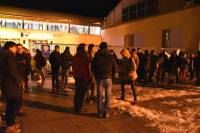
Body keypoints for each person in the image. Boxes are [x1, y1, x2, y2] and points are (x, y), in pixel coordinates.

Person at [1, 41, 24, 133]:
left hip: (6, 83)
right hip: (11, 84)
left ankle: (10, 123)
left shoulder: (2, 55)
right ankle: (10, 125)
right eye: (15, 48)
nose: (16, 50)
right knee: (17, 103)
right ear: (11, 47)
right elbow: (13, 70)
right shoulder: (9, 55)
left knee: (10, 104)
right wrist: (20, 81)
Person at [92, 42, 117, 118]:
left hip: (99, 79)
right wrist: (112, 77)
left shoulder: (96, 56)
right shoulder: (111, 56)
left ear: (100, 47)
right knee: (107, 96)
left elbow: (92, 67)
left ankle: (99, 113)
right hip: (108, 78)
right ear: (106, 47)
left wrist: (96, 76)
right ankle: (106, 113)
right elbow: (115, 68)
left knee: (99, 96)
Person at [72, 43, 92, 114]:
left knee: (77, 93)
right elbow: (86, 68)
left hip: (77, 77)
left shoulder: (75, 56)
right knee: (82, 94)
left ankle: (76, 107)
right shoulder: (84, 56)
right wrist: (88, 77)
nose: (87, 49)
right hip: (83, 77)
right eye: (86, 48)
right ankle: (79, 108)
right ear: (83, 49)